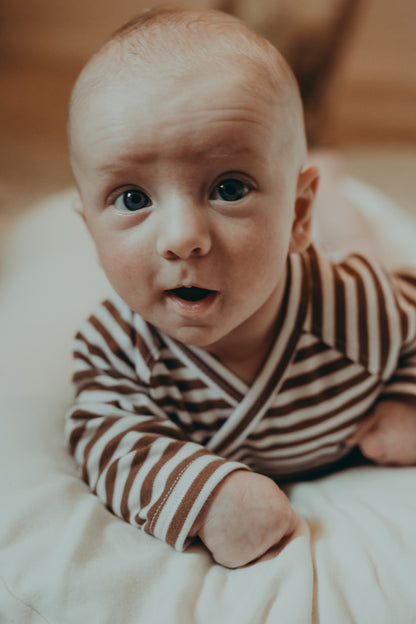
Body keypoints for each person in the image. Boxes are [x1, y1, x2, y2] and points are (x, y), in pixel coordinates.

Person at [65, 6, 416, 569]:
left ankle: (331, 176)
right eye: (133, 199)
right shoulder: (118, 350)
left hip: (329, 259)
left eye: (229, 188)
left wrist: (405, 397)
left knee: (355, 234)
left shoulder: (355, 305)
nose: (181, 238)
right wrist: (207, 497)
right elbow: (105, 442)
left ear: (299, 214)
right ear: (90, 232)